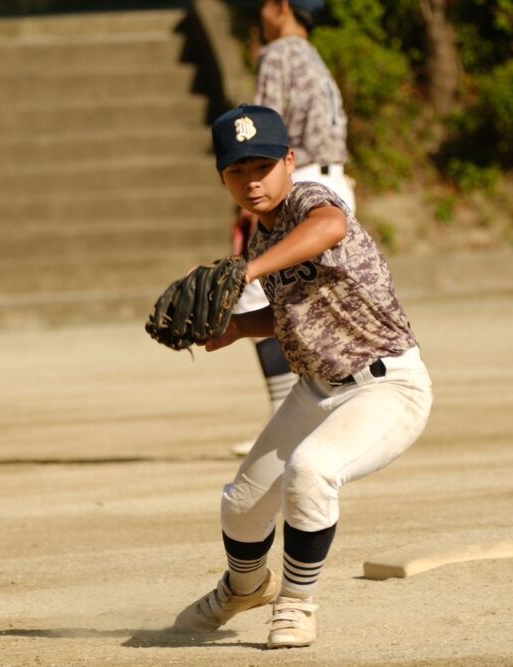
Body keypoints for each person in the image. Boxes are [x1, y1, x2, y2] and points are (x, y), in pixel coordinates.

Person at [172, 104, 432, 649]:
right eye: (237, 170)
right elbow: (295, 313)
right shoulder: (263, 239)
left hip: (387, 386)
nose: (251, 181)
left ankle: (296, 603)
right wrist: (239, 328)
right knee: (242, 503)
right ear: (222, 177)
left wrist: (245, 269)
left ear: (290, 161)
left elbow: (331, 226)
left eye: (262, 165)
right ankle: (244, 589)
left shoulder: (311, 201)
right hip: (318, 390)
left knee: (312, 470)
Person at [231, 0, 356, 457]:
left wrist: (251, 202)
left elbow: (260, 134)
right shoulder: (311, 55)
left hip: (298, 184)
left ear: (282, 6)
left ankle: (286, 420)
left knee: (255, 293)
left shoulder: (279, 53)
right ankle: (329, 408)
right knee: (318, 297)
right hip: (334, 179)